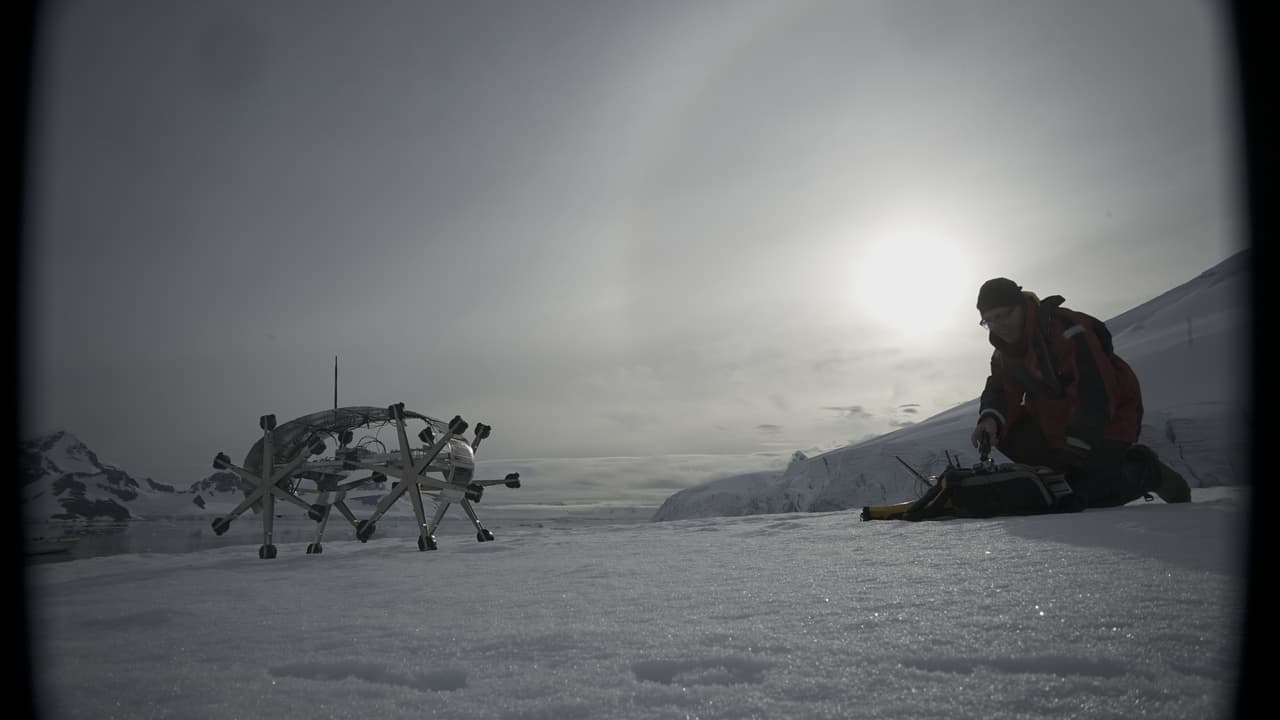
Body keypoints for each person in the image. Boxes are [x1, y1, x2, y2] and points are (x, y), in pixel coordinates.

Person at [968, 277, 1190, 508]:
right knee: (1010, 436)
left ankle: (1146, 470)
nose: (998, 326)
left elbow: (1096, 393)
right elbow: (1002, 390)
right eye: (990, 320)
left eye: (1004, 315)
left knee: (1086, 495)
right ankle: (1067, 474)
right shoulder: (1003, 354)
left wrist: (1076, 449)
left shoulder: (1067, 330)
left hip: (1109, 420)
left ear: (1021, 307)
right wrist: (990, 420)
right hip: (1054, 423)